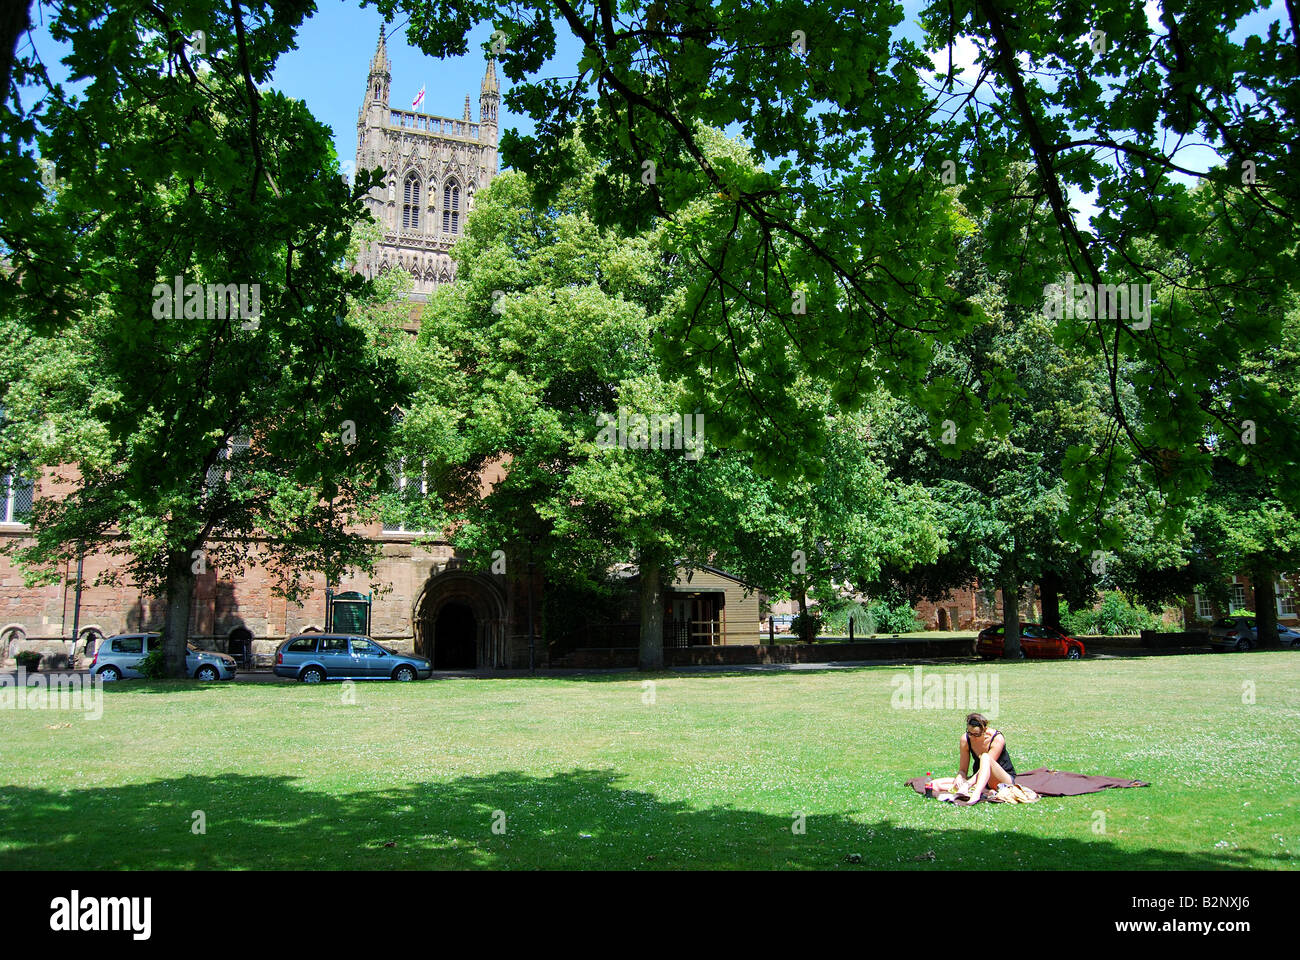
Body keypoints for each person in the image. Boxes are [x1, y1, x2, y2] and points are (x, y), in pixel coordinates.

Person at [955, 712, 1016, 805]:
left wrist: (968, 784)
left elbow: (986, 767)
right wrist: (960, 777)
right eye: (970, 733)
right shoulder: (966, 739)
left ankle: (976, 794)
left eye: (976, 734)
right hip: (981, 779)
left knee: (985, 757)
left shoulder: (997, 738)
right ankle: (987, 791)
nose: (973, 737)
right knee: (938, 784)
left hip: (1003, 779)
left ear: (985, 730)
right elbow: (963, 770)